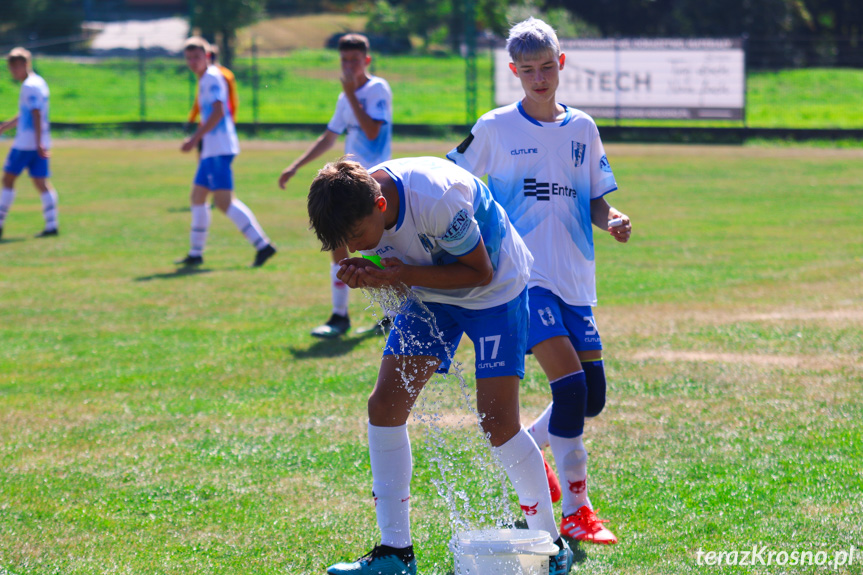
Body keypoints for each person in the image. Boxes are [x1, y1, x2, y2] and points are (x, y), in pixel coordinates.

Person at [307, 156, 573, 575]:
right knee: (384, 406)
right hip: (427, 290)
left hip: (494, 291)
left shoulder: (437, 197)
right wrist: (362, 268)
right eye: (344, 240)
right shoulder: (351, 205)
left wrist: (399, 276)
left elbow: (479, 272)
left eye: (357, 236)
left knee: (498, 421)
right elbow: (370, 254)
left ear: (380, 207)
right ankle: (396, 553)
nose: (355, 245)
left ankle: (551, 546)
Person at [447, 17, 632, 545]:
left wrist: (612, 218)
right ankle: (576, 510)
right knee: (569, 386)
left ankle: (526, 449)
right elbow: (454, 179)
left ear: (562, 64)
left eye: (547, 66)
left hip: (576, 276)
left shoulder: (583, 128)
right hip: (525, 276)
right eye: (527, 70)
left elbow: (594, 196)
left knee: (591, 396)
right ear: (513, 71)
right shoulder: (495, 126)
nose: (539, 77)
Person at [278, 33, 392, 338]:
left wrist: (352, 94)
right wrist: (295, 166)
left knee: (376, 248)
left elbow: (370, 132)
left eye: (355, 60)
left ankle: (392, 313)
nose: (349, 65)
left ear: (366, 60)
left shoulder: (377, 89)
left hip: (374, 183)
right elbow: (329, 137)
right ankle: (340, 316)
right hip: (349, 182)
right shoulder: (346, 96)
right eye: (344, 60)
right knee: (336, 243)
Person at [176, 37, 276, 268]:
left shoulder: (211, 77)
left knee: (224, 202)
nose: (192, 62)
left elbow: (219, 111)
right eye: (189, 58)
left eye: (197, 57)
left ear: (207, 57)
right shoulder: (204, 78)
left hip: (219, 148)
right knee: (198, 197)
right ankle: (195, 253)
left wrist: (194, 138)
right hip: (213, 149)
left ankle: (263, 245)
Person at [0, 47, 59, 240]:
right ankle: (52, 225)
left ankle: (0, 223)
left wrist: (38, 143)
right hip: (39, 142)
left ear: (24, 65)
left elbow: (36, 113)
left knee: (7, 180)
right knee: (41, 182)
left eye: (14, 68)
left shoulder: (29, 86)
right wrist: (6, 126)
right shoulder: (39, 82)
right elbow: (27, 112)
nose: (13, 72)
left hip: (26, 143)